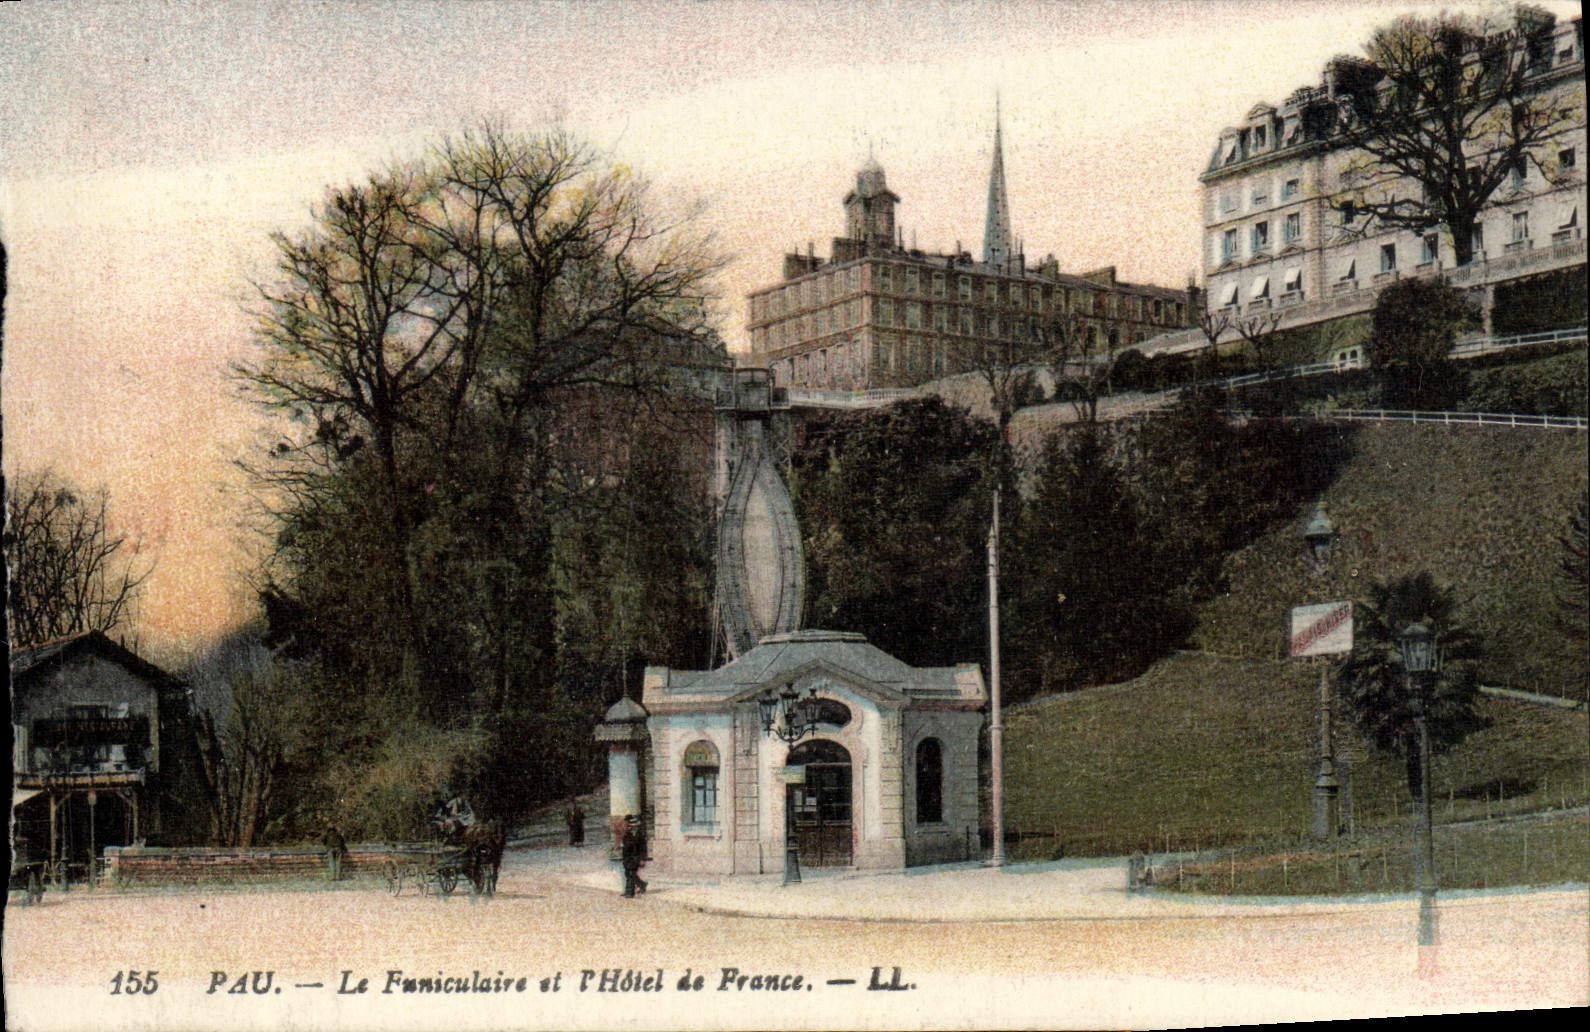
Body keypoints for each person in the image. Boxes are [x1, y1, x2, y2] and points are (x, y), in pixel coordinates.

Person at [619, 815, 647, 898]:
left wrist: (642, 858)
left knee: (631, 874)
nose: (626, 825)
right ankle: (641, 885)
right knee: (628, 873)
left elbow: (642, 847)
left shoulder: (637, 833)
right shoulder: (628, 833)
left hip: (634, 856)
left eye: (627, 823)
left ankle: (629, 892)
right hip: (627, 856)